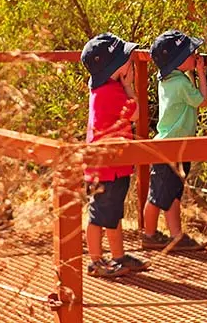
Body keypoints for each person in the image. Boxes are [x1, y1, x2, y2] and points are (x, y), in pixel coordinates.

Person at [80, 33, 151, 277]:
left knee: (112, 214)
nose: (131, 62)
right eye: (126, 60)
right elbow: (135, 114)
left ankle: (118, 257)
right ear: (112, 69)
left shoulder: (106, 88)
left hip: (113, 166)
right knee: (98, 215)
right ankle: (96, 261)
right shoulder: (110, 92)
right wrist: (130, 85)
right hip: (106, 168)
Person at [141, 30, 207, 251]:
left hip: (172, 145)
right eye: (190, 53)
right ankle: (149, 234)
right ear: (178, 61)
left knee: (171, 195)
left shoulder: (169, 78)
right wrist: (201, 73)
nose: (195, 54)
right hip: (172, 147)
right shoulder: (181, 83)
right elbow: (202, 101)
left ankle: (176, 236)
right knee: (158, 196)